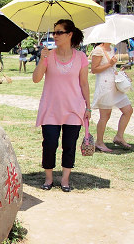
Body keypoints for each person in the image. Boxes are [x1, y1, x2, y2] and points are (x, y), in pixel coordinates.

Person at [32, 19, 91, 192]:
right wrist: (42, 59)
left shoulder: (81, 57)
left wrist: (88, 107)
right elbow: (36, 79)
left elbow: (84, 84)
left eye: (59, 32)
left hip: (74, 108)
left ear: (69, 34)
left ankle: (65, 179)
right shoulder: (48, 55)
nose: (55, 35)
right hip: (51, 108)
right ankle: (49, 178)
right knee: (49, 144)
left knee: (69, 145)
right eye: (54, 32)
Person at [90, 43, 133, 151]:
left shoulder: (111, 48)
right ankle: (99, 142)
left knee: (128, 110)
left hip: (115, 84)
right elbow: (94, 69)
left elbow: (112, 67)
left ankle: (119, 136)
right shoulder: (98, 50)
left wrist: (120, 72)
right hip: (105, 85)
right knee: (105, 115)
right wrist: (110, 64)